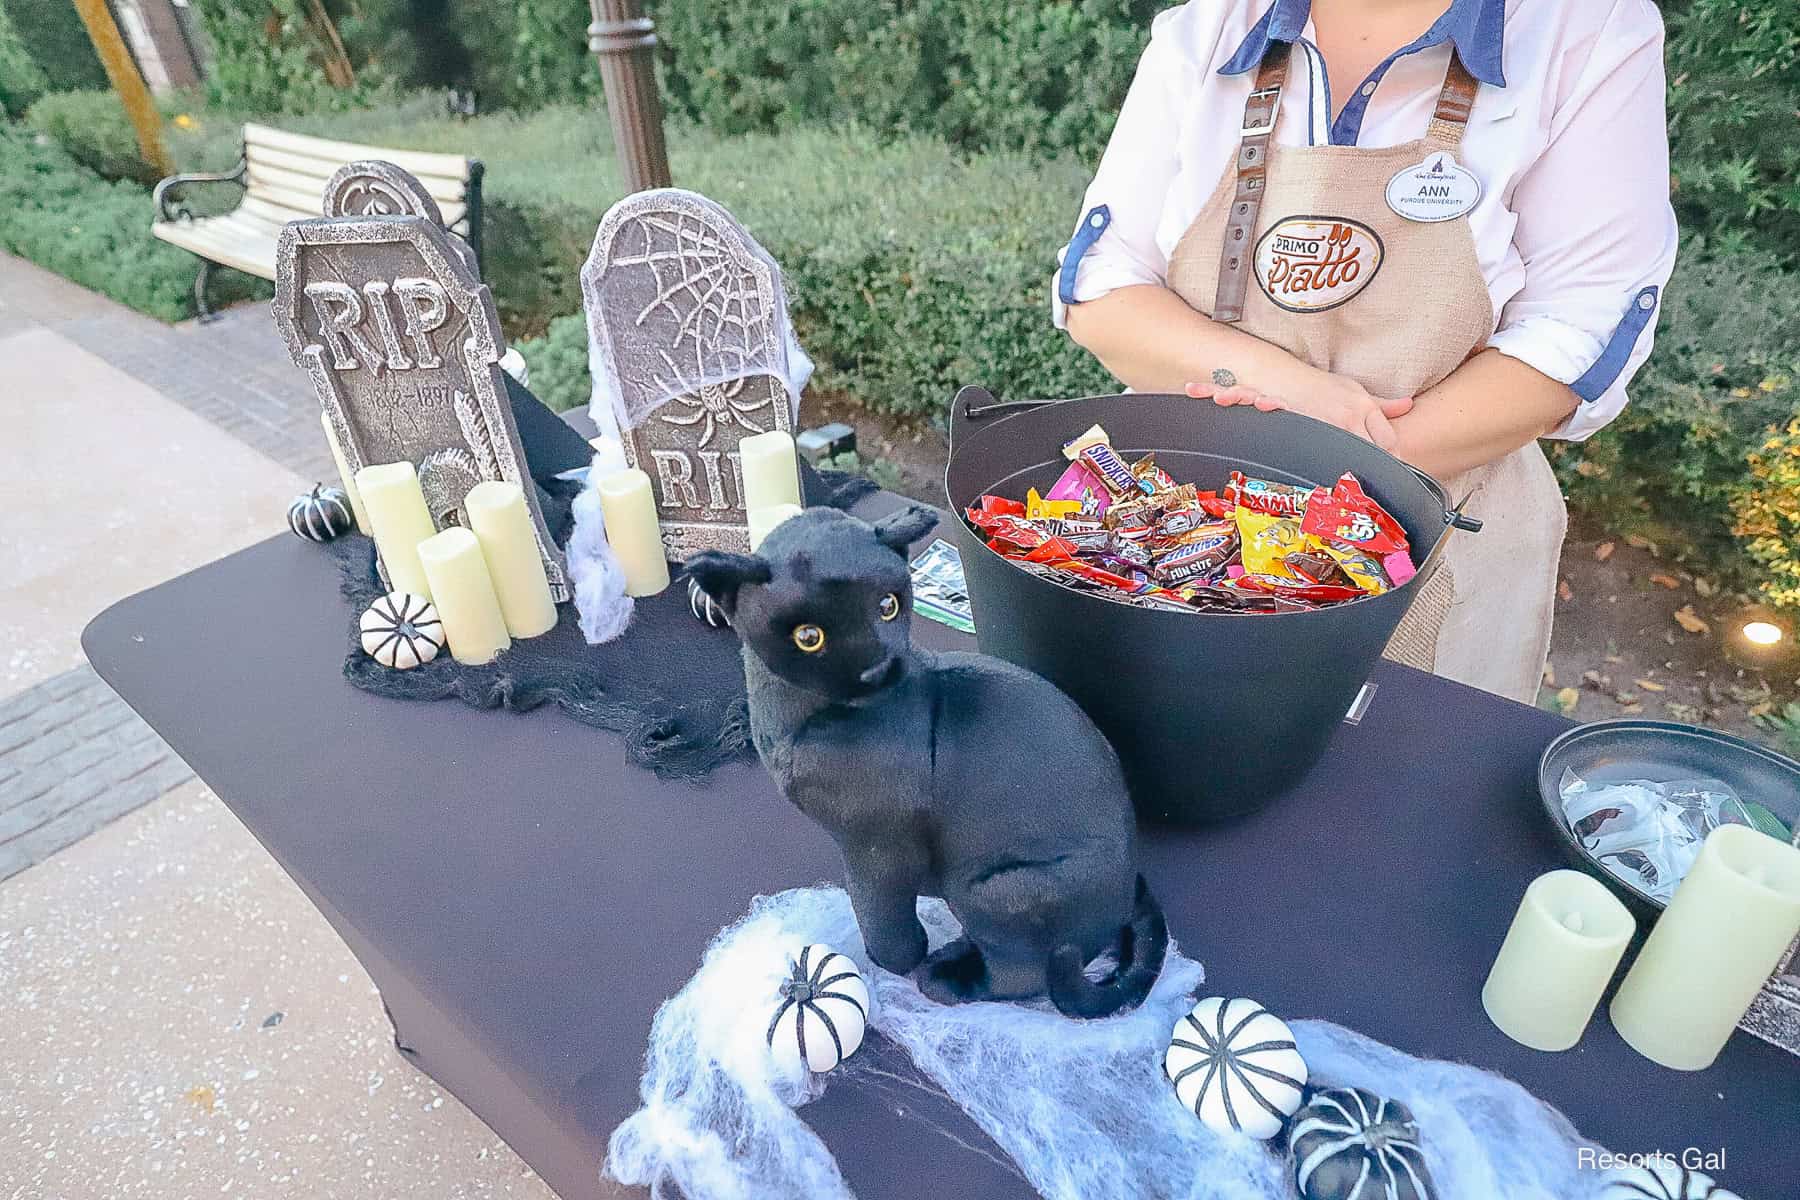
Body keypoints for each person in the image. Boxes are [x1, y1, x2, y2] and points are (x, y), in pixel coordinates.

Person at [1054, 0, 1677, 703]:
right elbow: (1102, 289)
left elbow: (1578, 334)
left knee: (1394, 783)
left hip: (1432, 524)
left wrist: (1334, 493)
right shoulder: (1209, 29)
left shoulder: (1588, 33)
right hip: (1173, 528)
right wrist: (1288, 384)